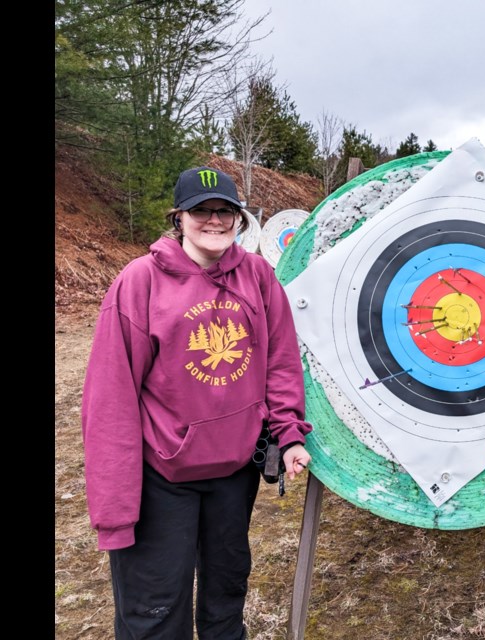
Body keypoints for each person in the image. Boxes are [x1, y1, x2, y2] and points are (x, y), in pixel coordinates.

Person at [81, 166, 313, 639]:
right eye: (200, 210)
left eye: (225, 210)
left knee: (226, 600)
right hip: (161, 478)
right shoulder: (139, 282)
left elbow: (281, 363)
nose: (214, 220)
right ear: (178, 218)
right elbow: (110, 401)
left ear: (239, 219)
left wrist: (288, 435)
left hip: (233, 474)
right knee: (154, 609)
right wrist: (116, 512)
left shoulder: (259, 278)